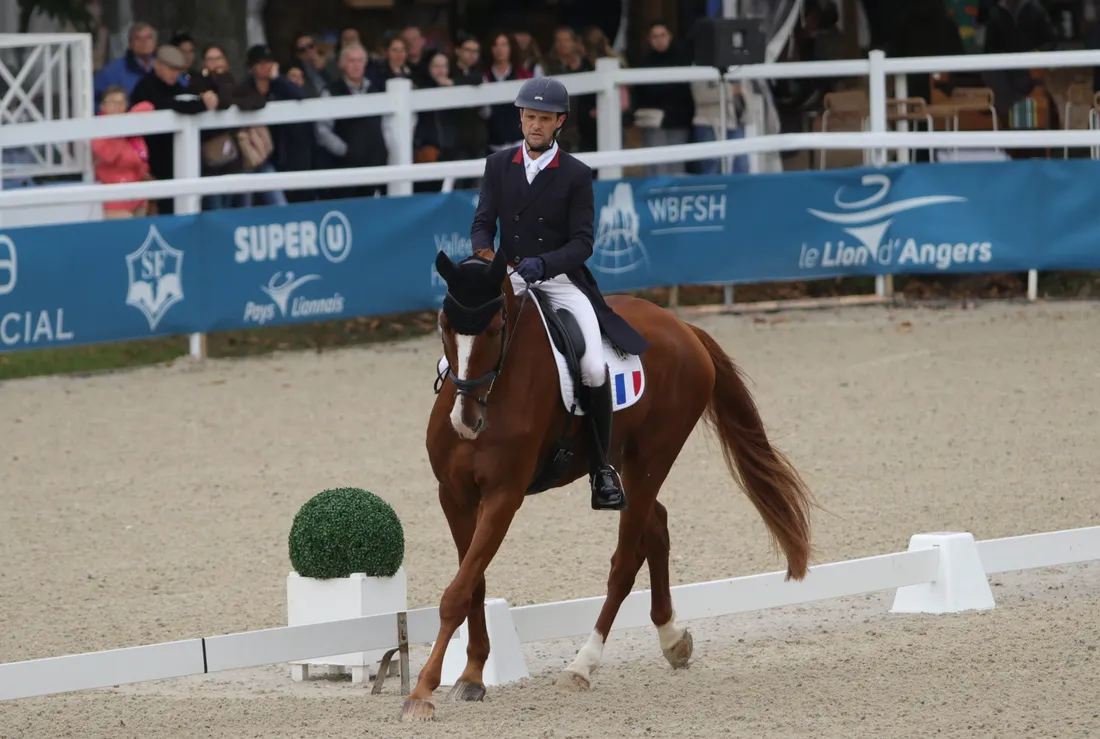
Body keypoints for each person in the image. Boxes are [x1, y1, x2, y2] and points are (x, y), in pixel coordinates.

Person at [469, 76, 649, 512]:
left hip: (560, 281)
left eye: (543, 119)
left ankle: (603, 468)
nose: (535, 125)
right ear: (521, 118)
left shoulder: (574, 174)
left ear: (559, 123)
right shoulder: (497, 166)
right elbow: (481, 224)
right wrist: (491, 260)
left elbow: (583, 242)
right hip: (509, 276)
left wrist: (544, 265)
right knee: (461, 346)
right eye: (529, 116)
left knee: (591, 365)